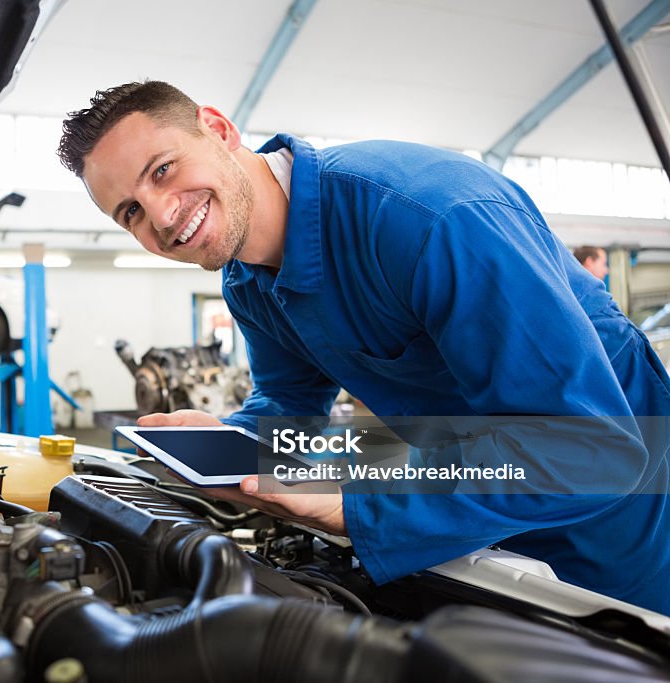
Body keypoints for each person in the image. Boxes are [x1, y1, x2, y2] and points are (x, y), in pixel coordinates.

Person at [57, 81, 670, 614]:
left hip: (616, 520)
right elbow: (291, 406)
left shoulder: (430, 217)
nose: (161, 217)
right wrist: (229, 447)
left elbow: (594, 450)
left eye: (162, 170)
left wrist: (357, 503)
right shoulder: (246, 281)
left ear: (217, 129)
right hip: (469, 508)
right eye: (131, 211)